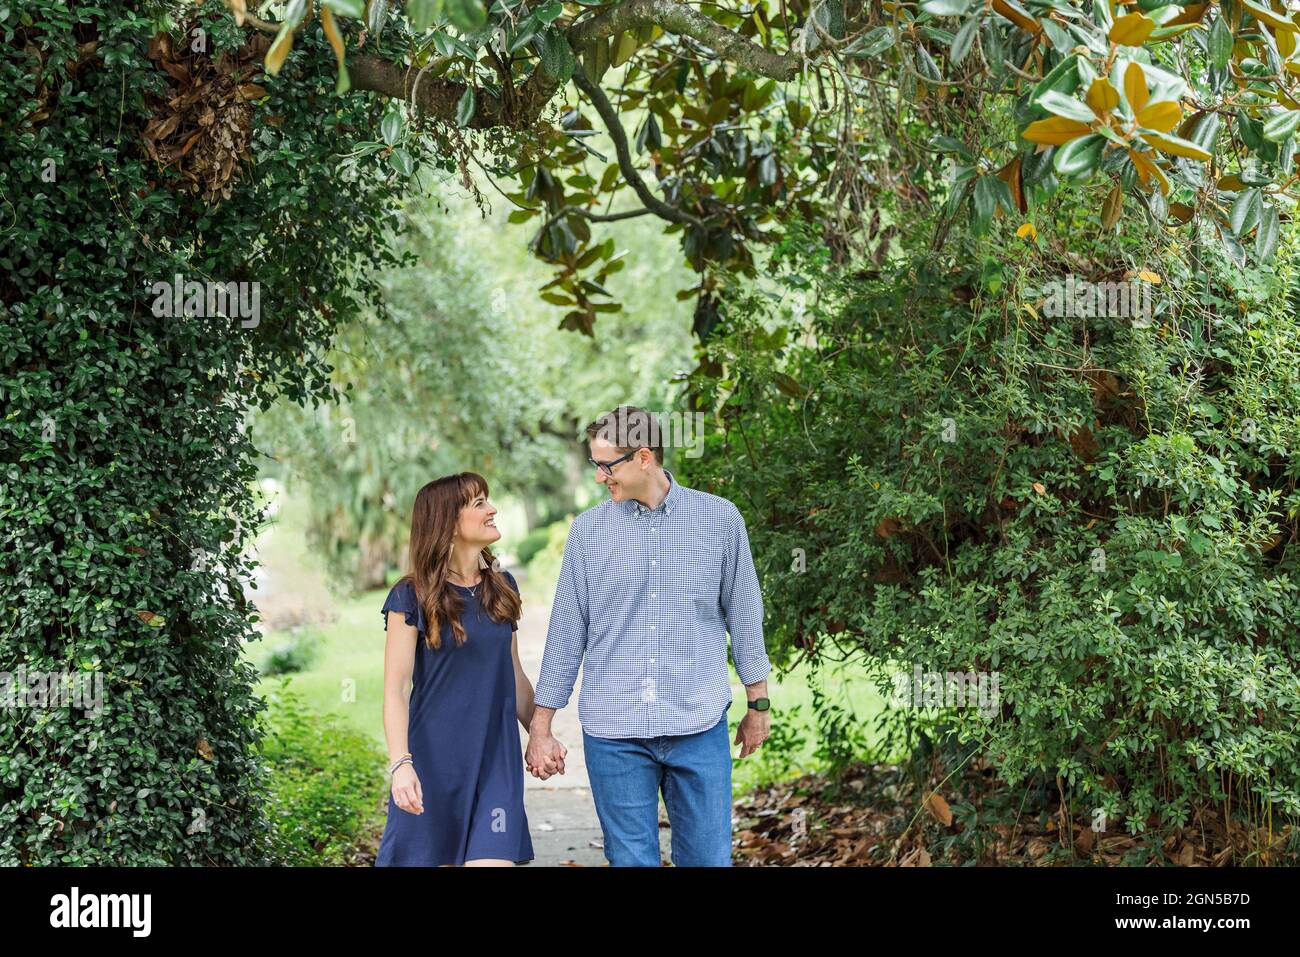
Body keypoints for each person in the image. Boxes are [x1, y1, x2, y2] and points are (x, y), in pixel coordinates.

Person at [526, 406, 773, 866]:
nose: (600, 477)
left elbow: (744, 613)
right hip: (615, 734)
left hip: (697, 725)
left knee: (708, 860)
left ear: (643, 457)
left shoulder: (719, 519)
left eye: (606, 465)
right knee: (631, 861)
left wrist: (757, 704)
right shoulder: (587, 533)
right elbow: (565, 633)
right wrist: (541, 727)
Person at [375, 472, 553, 866]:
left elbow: (514, 674)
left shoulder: (502, 587)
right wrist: (401, 764)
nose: (492, 509)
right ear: (446, 523)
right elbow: (395, 690)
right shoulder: (410, 596)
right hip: (433, 766)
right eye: (478, 504)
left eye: (488, 500)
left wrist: (540, 733)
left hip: (496, 763)